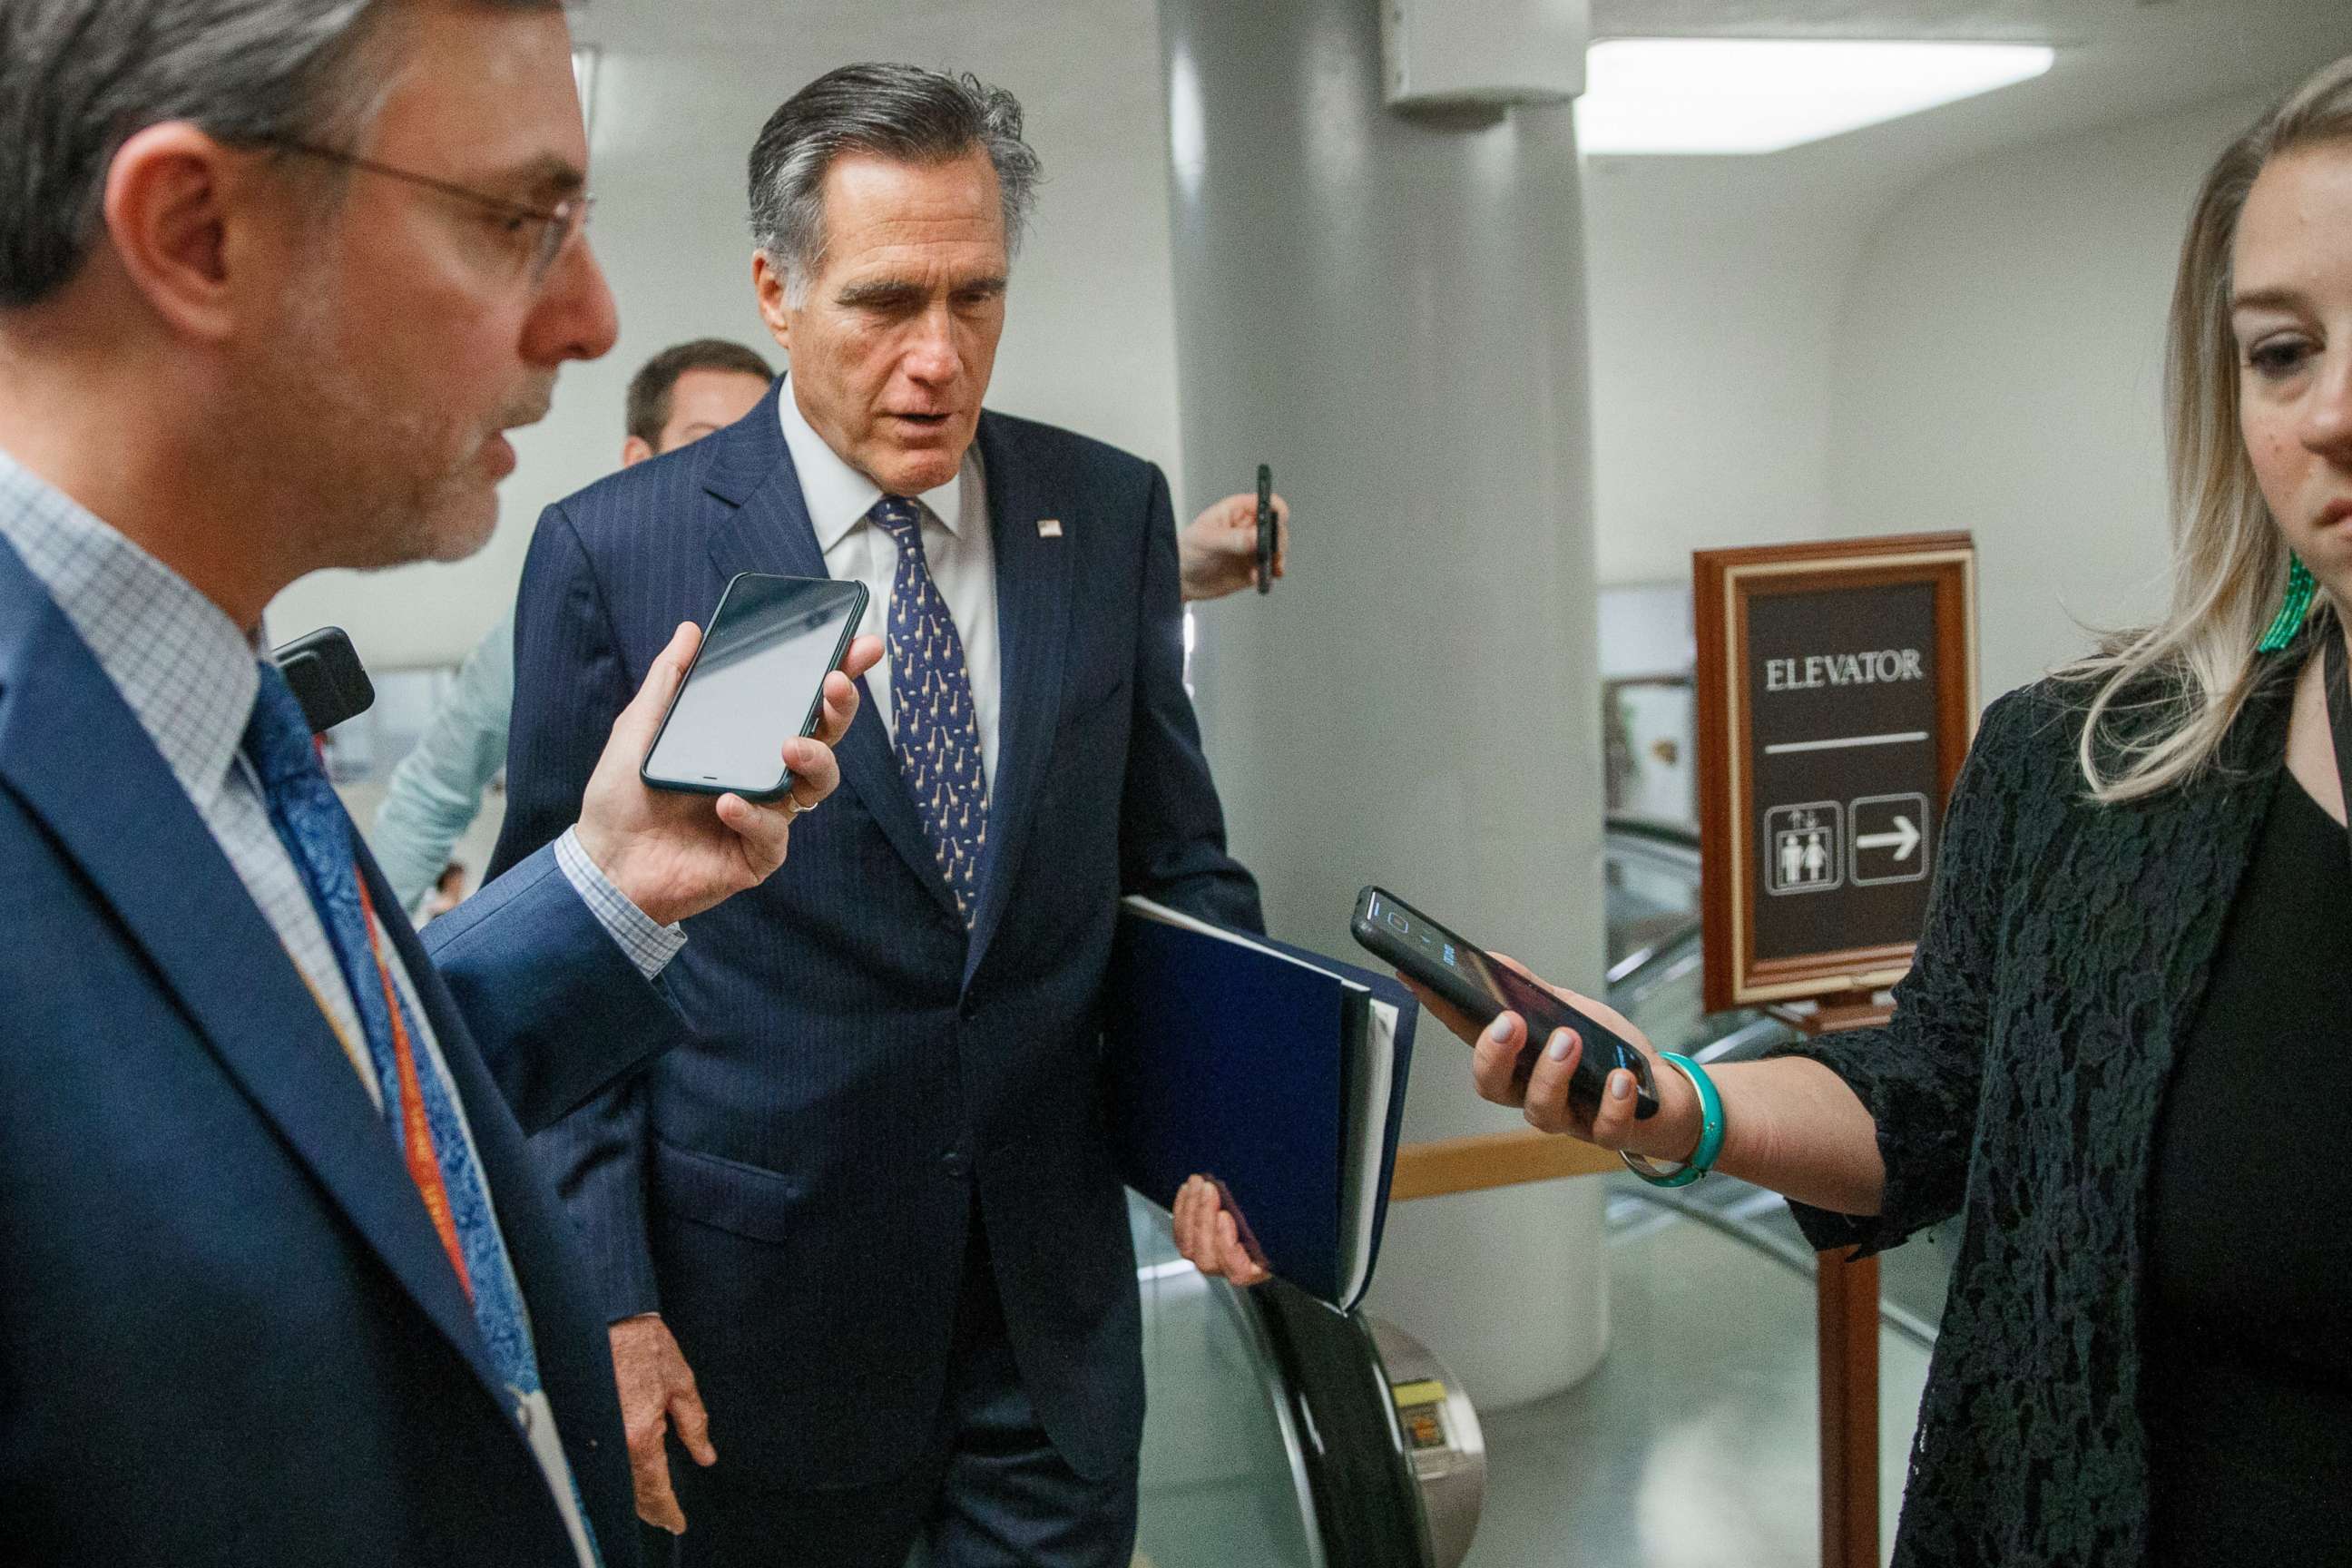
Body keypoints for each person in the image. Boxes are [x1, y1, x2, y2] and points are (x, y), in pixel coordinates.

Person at [1202, 56, 2352, 1568]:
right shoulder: (2085, 776)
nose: (2328, 411)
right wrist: (1673, 1099)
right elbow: (1928, 1102)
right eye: (2279, 351)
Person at [0, 3, 878, 1563]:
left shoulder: (200, 699)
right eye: (515, 223)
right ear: (197, 232)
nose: (592, 316)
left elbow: (296, 1109)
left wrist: (605, 894)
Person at [491, 63, 1265, 1568]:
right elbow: (563, 950)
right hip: (755, 1325)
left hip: (1048, 1324)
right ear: (777, 292)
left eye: (976, 297)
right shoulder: (622, 553)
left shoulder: (1101, 517)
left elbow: (1173, 860)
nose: (938, 356)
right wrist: (609, 1293)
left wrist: (1221, 1124)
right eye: (884, 301)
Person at [376, 344, 1291, 914]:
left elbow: (990, 624)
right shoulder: (582, 584)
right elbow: (445, 811)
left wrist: (1171, 571)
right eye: (708, 445)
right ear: (643, 461)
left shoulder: (860, 573)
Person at [373, 336, 781, 909]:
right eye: (706, 450)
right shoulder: (559, 612)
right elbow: (432, 796)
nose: (741, 479)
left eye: (760, 454)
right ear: (639, 463)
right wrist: (366, 968)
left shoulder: (799, 621)